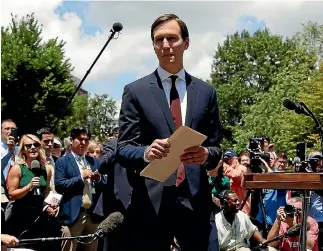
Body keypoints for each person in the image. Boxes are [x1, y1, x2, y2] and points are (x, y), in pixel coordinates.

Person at [117, 13, 222, 251]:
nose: (165, 45)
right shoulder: (136, 91)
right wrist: (146, 151)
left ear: (186, 43)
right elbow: (123, 149)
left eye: (172, 39)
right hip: (151, 201)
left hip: (196, 200)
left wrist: (206, 154)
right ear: (153, 46)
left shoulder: (206, 92)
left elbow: (217, 147)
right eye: (158, 40)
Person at [55, 126, 105, 251]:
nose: (83, 143)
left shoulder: (94, 162)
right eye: (80, 139)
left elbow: (104, 185)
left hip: (92, 215)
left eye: (86, 140)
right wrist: (80, 177)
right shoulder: (63, 162)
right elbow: (60, 185)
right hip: (73, 215)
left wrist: (98, 179)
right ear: (71, 140)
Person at [6, 134, 56, 250]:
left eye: (36, 144)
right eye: (29, 145)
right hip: (20, 216)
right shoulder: (17, 168)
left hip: (39, 217)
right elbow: (11, 194)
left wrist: (51, 203)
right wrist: (28, 187)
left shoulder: (46, 169)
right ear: (23, 149)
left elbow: (46, 192)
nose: (33, 147)